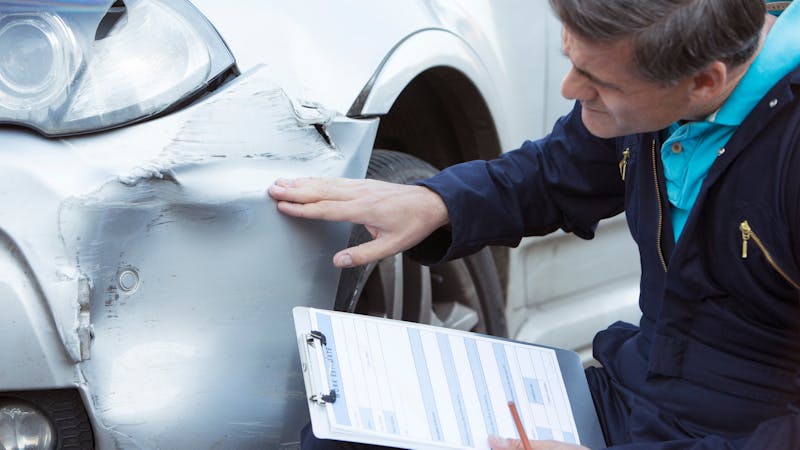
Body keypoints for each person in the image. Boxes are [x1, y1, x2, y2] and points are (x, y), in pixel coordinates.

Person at [268, 0, 800, 448]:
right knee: (349, 429)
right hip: (632, 399)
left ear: (704, 82)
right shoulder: (659, 89)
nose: (570, 89)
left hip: (743, 434)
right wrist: (434, 202)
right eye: (570, 60)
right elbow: (557, 172)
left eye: (597, 81)